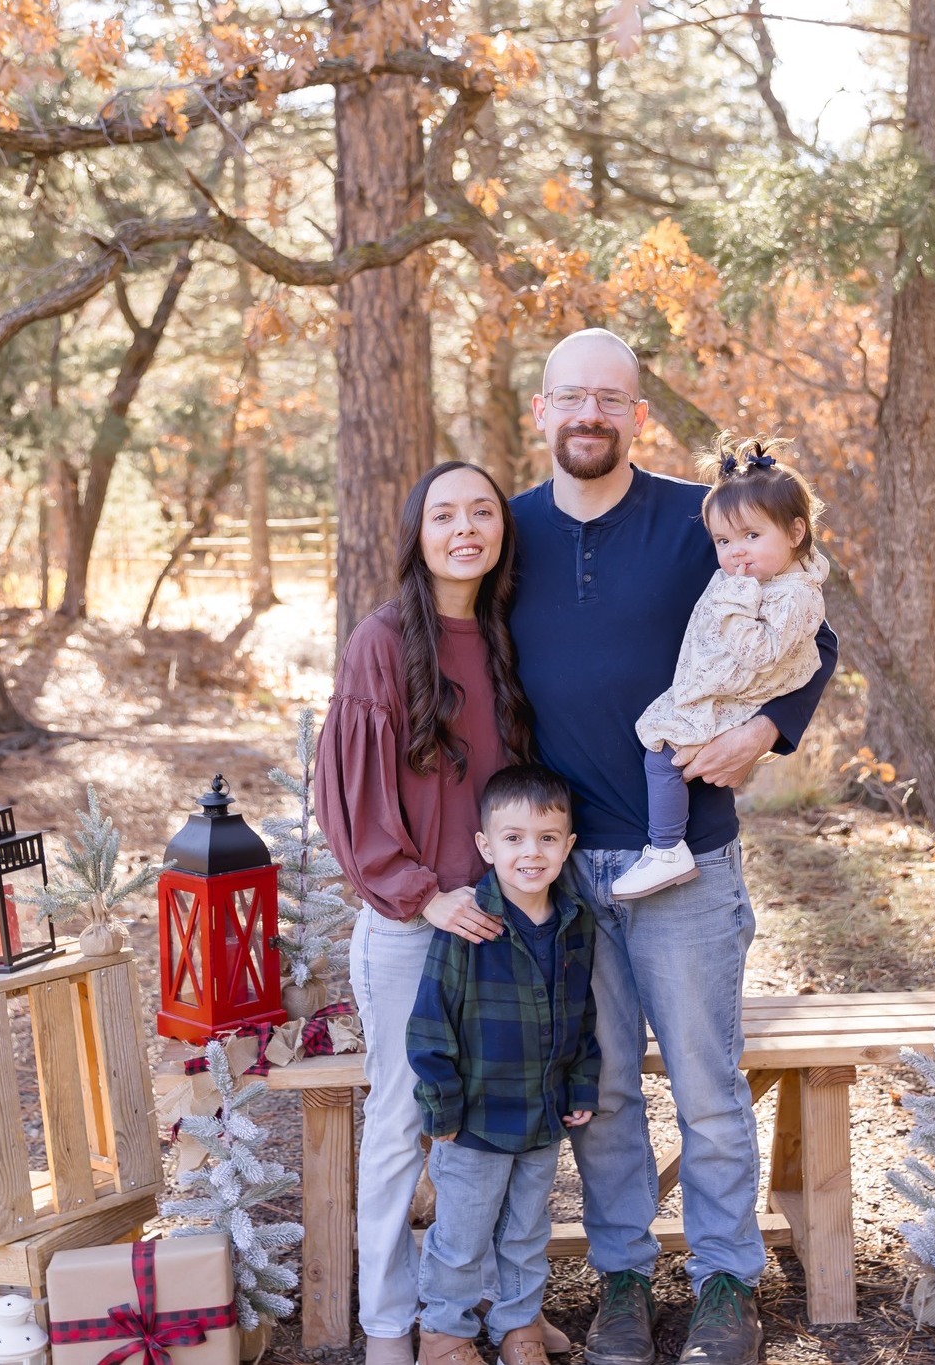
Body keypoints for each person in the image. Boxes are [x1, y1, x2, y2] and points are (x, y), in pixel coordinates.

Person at [508, 329, 839, 1365]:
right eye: (573, 397)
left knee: (704, 1081)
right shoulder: (507, 531)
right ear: (543, 411)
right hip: (560, 868)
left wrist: (765, 730)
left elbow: (809, 633)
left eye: (611, 398)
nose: (590, 415)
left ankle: (728, 1286)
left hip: (685, 854)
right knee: (601, 1089)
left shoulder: (698, 522)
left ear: (636, 414)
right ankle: (619, 1283)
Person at [315, 462, 569, 1365]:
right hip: (414, 928)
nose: (464, 528)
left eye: (482, 512)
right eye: (443, 514)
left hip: (502, 928)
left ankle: (492, 1311)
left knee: (501, 1127)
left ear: (502, 527)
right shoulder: (381, 644)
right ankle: (390, 1324)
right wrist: (426, 894)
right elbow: (353, 806)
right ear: (417, 532)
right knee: (400, 1122)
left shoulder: (502, 636)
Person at [407, 764, 600, 1365]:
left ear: (568, 846)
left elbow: (580, 1014)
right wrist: (442, 1108)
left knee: (525, 1234)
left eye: (546, 838)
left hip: (541, 1116)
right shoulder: (469, 927)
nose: (530, 852)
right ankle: (445, 1334)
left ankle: (519, 1330)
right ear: (486, 846)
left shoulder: (573, 923)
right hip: (475, 1121)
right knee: (461, 1239)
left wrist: (579, 1084)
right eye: (513, 838)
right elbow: (430, 1022)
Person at [612, 434, 830, 900]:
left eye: (752, 536)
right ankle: (666, 844)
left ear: (795, 533)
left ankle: (667, 848)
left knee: (663, 750)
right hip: (717, 686)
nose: (736, 552)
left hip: (733, 700)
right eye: (724, 541)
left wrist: (734, 601)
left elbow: (766, 652)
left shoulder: (790, 593)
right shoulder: (755, 580)